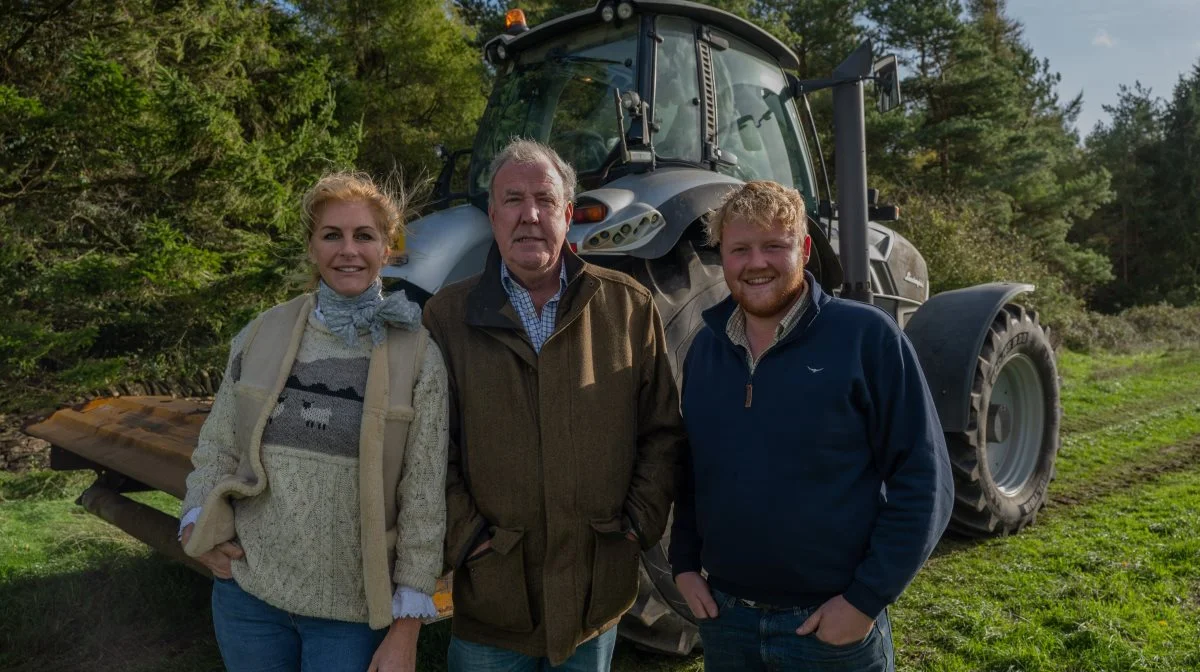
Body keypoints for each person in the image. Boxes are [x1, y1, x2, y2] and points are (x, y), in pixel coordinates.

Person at [422, 138, 684, 670]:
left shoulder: (628, 307)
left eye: (544, 199)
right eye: (513, 200)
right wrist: (468, 538)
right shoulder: (447, 318)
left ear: (568, 215)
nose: (529, 215)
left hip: (595, 590)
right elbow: (428, 448)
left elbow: (661, 431)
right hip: (494, 596)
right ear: (492, 216)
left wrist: (636, 523)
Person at [669, 180, 953, 672]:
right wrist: (684, 565)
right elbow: (694, 472)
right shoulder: (705, 350)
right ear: (723, 257)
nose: (756, 263)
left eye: (773, 246)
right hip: (727, 620)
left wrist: (865, 600)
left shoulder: (866, 339)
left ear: (802, 249)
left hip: (828, 627)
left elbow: (925, 480)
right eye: (740, 249)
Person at [178, 172, 449, 672]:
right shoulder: (262, 332)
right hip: (249, 599)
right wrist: (198, 526)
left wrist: (407, 626)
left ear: (387, 248)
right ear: (311, 246)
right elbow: (217, 444)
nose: (348, 250)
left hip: (348, 617)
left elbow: (424, 495)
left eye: (364, 236)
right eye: (332, 235)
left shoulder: (419, 356)